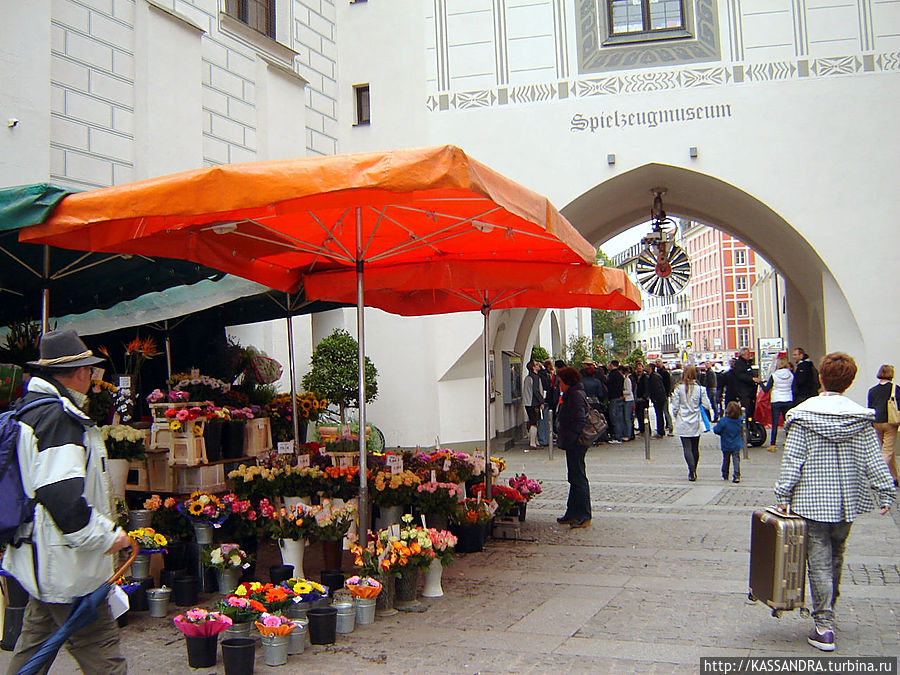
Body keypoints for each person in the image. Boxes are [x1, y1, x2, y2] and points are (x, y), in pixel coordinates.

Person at [3, 329, 132, 674]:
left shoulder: (32, 410)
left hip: (44, 560)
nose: (92, 376)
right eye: (89, 369)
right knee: (103, 653)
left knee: (32, 649)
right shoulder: (59, 419)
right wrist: (107, 536)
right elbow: (63, 500)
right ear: (76, 372)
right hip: (68, 565)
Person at [775, 352, 895, 652]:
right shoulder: (860, 418)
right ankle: (830, 610)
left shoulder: (803, 415)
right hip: (846, 502)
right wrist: (885, 492)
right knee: (836, 555)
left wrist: (783, 496)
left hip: (812, 501)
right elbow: (874, 458)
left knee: (818, 562)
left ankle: (824, 625)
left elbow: (793, 462)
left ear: (820, 378)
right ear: (850, 381)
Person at [555, 367, 591, 529]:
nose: (559, 385)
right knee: (574, 477)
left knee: (578, 478)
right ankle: (572, 512)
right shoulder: (572, 394)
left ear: (567, 382)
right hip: (572, 441)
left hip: (576, 442)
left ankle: (584, 514)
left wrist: (570, 437)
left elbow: (579, 419)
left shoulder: (575, 395)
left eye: (560, 382)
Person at [670, 364, 712, 481]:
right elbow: (707, 405)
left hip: (683, 420)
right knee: (695, 447)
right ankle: (694, 469)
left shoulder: (678, 388)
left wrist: (676, 416)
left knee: (686, 447)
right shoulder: (700, 389)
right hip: (695, 420)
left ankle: (691, 470)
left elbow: (675, 406)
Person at [867, 364, 899, 486]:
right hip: (890, 421)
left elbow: (870, 407)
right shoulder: (895, 388)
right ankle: (877, 474)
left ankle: (894, 477)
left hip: (876, 422)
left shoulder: (872, 390)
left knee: (887, 449)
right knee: (887, 450)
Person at [759, 356, 794, 452]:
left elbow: (766, 390)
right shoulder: (791, 375)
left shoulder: (774, 376)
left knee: (775, 423)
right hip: (788, 399)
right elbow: (793, 387)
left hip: (776, 400)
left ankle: (772, 445)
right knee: (788, 422)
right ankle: (790, 442)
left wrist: (760, 383)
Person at [714, 401, 743, 483]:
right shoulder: (740, 420)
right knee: (736, 459)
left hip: (726, 443)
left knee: (726, 459)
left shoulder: (724, 421)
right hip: (736, 443)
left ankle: (725, 473)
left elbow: (716, 430)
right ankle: (737, 475)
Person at [522, 359, 545, 451]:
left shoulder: (528, 377)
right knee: (534, 422)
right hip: (533, 402)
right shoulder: (535, 378)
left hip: (528, 402)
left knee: (533, 421)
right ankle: (533, 443)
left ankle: (535, 442)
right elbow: (536, 390)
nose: (538, 365)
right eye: (536, 364)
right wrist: (541, 401)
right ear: (533, 367)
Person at [731, 348, 758, 416]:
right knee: (747, 409)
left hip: (750, 391)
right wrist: (752, 379)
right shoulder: (739, 364)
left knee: (751, 409)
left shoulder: (747, 363)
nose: (750, 355)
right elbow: (740, 376)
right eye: (748, 354)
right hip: (744, 392)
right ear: (743, 355)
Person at [605, 360, 626, 443]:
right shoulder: (620, 375)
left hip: (613, 398)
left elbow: (609, 386)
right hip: (620, 397)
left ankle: (618, 436)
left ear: (611, 365)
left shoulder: (612, 375)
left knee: (615, 418)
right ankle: (622, 434)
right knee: (620, 417)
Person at [647, 363, 669, 438]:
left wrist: (656, 398)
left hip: (658, 399)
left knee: (659, 415)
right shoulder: (655, 376)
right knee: (659, 415)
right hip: (659, 398)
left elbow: (657, 388)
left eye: (648, 367)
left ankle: (660, 431)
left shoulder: (654, 377)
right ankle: (660, 430)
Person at [536, 359, 554, 447]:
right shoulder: (544, 376)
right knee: (544, 421)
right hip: (545, 400)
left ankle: (544, 439)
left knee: (543, 420)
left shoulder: (541, 375)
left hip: (544, 400)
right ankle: (544, 439)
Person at [654, 359, 674, 435]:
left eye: (658, 362)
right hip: (660, 395)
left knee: (665, 411)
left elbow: (668, 384)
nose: (657, 363)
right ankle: (666, 426)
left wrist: (667, 393)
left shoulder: (665, 373)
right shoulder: (658, 372)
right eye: (656, 362)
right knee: (663, 412)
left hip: (664, 395)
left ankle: (670, 427)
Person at [632, 361, 649, 437]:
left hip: (643, 399)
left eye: (640, 367)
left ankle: (645, 430)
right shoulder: (636, 376)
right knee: (639, 415)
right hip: (637, 398)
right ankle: (642, 429)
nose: (638, 369)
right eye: (637, 367)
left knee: (643, 415)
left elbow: (647, 387)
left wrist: (644, 397)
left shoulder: (645, 377)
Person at [621, 364, 635, 441]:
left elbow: (629, 391)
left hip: (628, 400)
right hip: (627, 400)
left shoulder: (627, 380)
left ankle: (628, 435)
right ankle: (628, 434)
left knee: (627, 418)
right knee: (627, 418)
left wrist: (622, 392)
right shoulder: (626, 379)